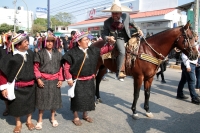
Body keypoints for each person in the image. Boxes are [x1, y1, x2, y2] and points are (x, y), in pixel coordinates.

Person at [62, 32, 114, 126]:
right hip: (78, 80)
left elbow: (104, 50)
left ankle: (85, 114)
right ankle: (76, 116)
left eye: (88, 39)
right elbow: (66, 67)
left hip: (89, 79)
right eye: (85, 40)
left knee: (88, 98)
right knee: (77, 98)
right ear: (79, 42)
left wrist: (110, 44)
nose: (88, 41)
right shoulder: (72, 53)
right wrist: (69, 78)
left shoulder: (92, 50)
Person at [0, 33, 36, 133]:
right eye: (25, 42)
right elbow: (2, 73)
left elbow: (36, 67)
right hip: (16, 87)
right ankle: (18, 123)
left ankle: (29, 121)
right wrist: (3, 88)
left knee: (30, 105)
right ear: (18, 45)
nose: (28, 43)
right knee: (16, 106)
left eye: (27, 41)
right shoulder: (10, 57)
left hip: (30, 85)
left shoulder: (31, 53)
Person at [101, 0, 143, 81]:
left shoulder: (126, 16)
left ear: (121, 12)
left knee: (140, 47)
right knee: (122, 52)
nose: (114, 15)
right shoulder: (107, 22)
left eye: (116, 13)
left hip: (128, 37)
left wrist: (139, 29)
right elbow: (103, 34)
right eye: (113, 13)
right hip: (117, 39)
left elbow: (133, 23)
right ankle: (119, 72)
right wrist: (108, 38)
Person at [34, 35, 64, 130]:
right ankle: (40, 119)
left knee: (54, 99)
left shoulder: (58, 54)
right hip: (43, 79)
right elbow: (35, 67)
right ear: (44, 42)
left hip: (55, 79)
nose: (50, 43)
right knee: (41, 99)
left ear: (54, 43)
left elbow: (61, 68)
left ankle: (53, 117)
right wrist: (38, 79)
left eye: (51, 41)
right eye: (48, 41)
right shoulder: (39, 53)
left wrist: (60, 79)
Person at [176, 32, 200, 105]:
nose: (198, 37)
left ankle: (179, 94)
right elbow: (184, 56)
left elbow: (193, 56)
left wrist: (195, 62)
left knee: (183, 80)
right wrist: (188, 66)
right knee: (192, 80)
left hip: (191, 64)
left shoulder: (195, 44)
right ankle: (194, 98)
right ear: (194, 37)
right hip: (188, 65)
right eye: (197, 36)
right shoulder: (189, 44)